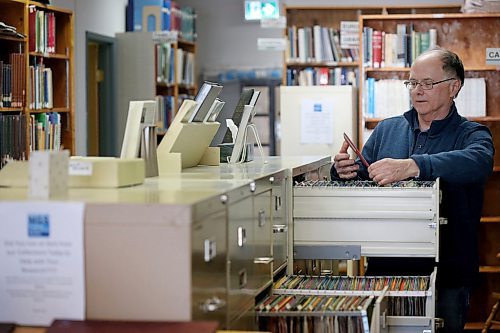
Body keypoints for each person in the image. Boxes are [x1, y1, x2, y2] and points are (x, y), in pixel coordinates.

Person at [331, 48, 494, 332]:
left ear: (454, 87)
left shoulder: (473, 134)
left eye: (428, 83)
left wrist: (413, 166)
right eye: (412, 83)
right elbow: (364, 175)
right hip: (385, 268)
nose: (417, 91)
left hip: (447, 275)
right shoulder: (386, 129)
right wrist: (343, 171)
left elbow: (478, 163)